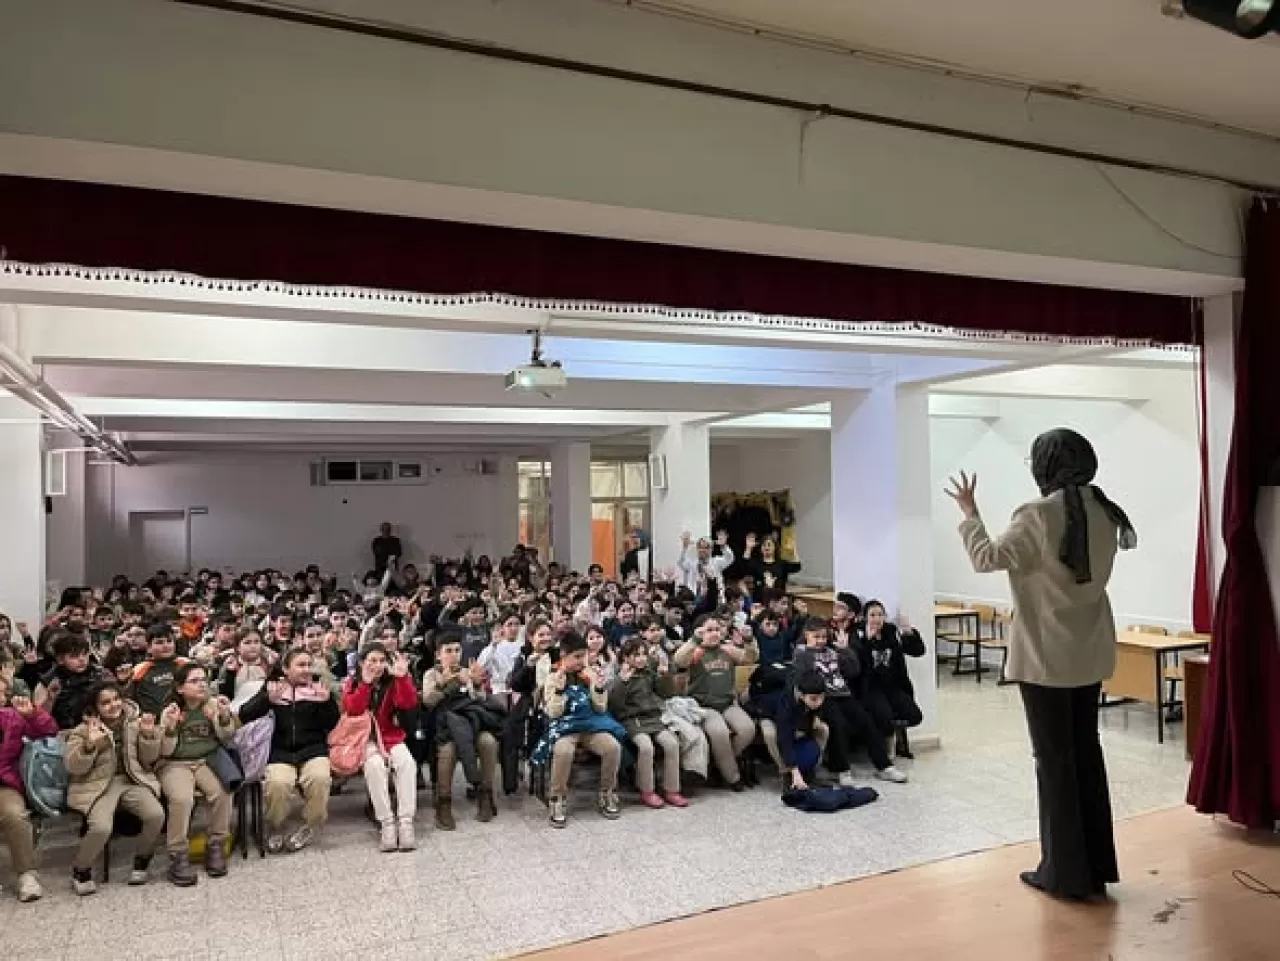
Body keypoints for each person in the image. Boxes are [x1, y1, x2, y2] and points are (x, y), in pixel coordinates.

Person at [947, 427, 1137, 901]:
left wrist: (970, 514)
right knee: (1086, 757)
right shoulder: (1106, 511)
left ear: (1045, 465)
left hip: (1046, 659)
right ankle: (1095, 867)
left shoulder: (1036, 514)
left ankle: (1063, 873)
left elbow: (985, 558)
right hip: (1088, 653)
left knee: (1054, 765)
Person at [64, 682, 167, 893]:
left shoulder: (134, 723)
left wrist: (148, 736)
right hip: (98, 785)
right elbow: (73, 767)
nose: (113, 705)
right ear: (95, 708)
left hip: (132, 780)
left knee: (156, 814)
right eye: (106, 702)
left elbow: (149, 760)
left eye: (116, 699)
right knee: (101, 827)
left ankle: (142, 860)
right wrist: (90, 745)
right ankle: (81, 869)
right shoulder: (83, 731)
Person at [237, 648, 340, 854]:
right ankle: (276, 826)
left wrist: (326, 702)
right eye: (300, 665)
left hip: (313, 749)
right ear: (285, 669)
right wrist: (267, 700)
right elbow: (244, 714)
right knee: (278, 783)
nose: (306, 670)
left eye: (308, 665)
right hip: (280, 751)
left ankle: (311, 825)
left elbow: (332, 723)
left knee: (319, 778)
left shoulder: (318, 687)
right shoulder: (273, 687)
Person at [793, 618, 908, 785]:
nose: (820, 641)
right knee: (839, 724)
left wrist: (845, 650)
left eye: (824, 637)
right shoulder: (801, 654)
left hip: (843, 694)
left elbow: (854, 670)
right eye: (816, 637)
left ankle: (884, 766)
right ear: (806, 635)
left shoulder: (832, 651)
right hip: (823, 698)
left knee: (866, 721)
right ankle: (840, 769)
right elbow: (801, 679)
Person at [533, 631, 624, 828]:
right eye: (576, 656)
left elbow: (600, 708)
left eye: (583, 656)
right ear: (564, 655)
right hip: (565, 726)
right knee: (564, 750)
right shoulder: (553, 677)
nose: (581, 661)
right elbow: (554, 713)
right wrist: (558, 690)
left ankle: (607, 792)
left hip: (590, 724)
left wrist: (599, 689)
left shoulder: (589, 674)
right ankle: (557, 798)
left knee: (612, 747)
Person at [157, 663, 236, 886]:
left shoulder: (211, 705)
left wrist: (222, 717)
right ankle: (178, 854)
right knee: (182, 799)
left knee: (222, 793)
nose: (202, 684)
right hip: (175, 763)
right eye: (194, 681)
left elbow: (228, 737)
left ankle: (216, 844)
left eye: (204, 679)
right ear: (180, 688)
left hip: (206, 759)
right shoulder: (171, 710)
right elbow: (164, 750)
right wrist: (171, 728)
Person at [344, 643, 420, 852]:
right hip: (364, 739)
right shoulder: (353, 683)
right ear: (362, 663)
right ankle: (386, 823)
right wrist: (365, 685)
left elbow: (408, 704)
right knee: (375, 767)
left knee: (407, 763)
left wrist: (403, 678)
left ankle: (405, 823)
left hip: (389, 736)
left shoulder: (392, 681)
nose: (377, 666)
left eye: (381, 661)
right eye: (372, 661)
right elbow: (353, 710)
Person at [672, 614, 758, 790]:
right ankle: (732, 776)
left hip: (727, 703)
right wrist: (695, 639)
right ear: (700, 631)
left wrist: (749, 640)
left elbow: (750, 658)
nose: (714, 634)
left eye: (717, 630)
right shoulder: (695, 651)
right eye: (709, 630)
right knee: (719, 732)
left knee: (748, 729)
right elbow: (679, 660)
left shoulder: (727, 649)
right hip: (703, 707)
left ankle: (719, 763)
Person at [609, 637, 687, 809]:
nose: (641, 659)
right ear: (626, 658)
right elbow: (615, 705)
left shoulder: (648, 673)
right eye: (636, 655)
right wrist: (622, 682)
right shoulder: (620, 677)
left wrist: (664, 675)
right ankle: (647, 790)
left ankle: (672, 789)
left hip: (652, 718)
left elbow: (667, 693)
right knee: (646, 747)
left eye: (644, 655)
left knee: (672, 744)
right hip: (632, 720)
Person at [0, 675, 57, 902]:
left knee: (15, 815)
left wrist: (32, 714)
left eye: (4, 693)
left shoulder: (12, 718)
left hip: (4, 784)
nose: (2, 698)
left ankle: (26, 874)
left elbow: (49, 730)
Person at [855, 601, 926, 755]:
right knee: (884, 717)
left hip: (893, 685)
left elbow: (918, 650)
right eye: (872, 615)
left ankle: (894, 737)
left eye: (880, 615)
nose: (877, 619)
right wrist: (867, 641)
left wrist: (909, 632)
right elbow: (858, 664)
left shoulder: (891, 632)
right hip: (871, 687)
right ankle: (887, 744)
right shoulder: (858, 634)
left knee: (914, 716)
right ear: (865, 618)